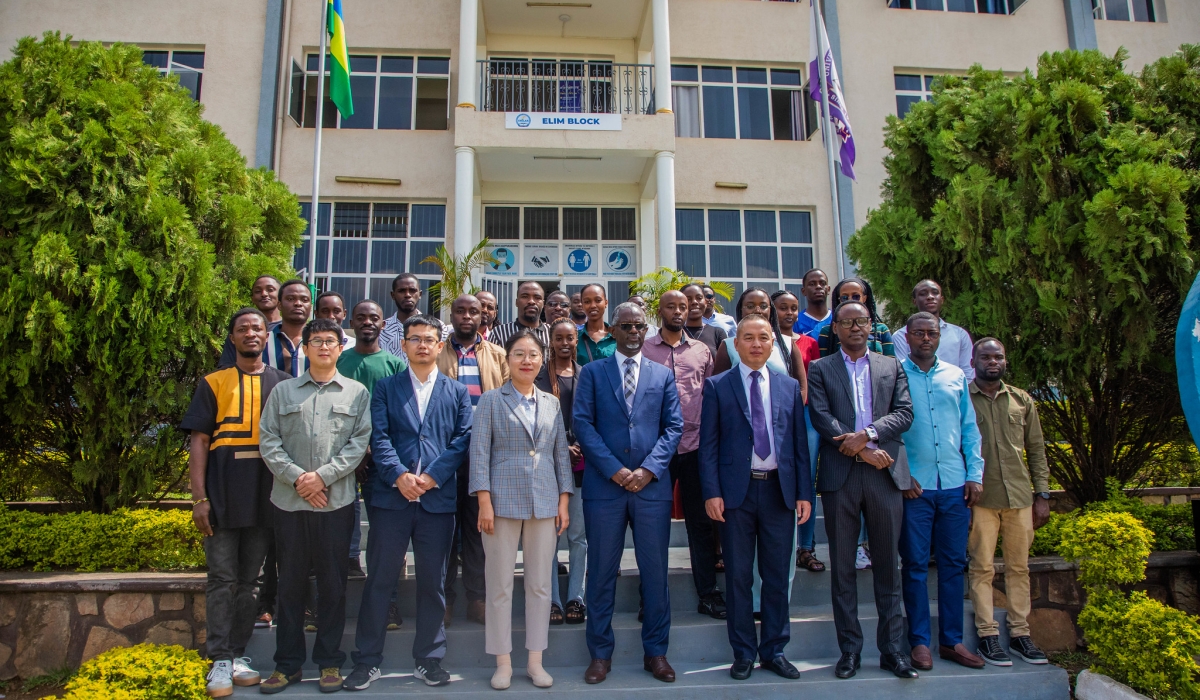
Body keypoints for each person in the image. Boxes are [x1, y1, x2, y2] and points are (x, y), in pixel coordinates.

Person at [344, 316, 472, 691]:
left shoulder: (456, 391)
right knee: (380, 580)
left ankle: (429, 660)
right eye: (414, 339)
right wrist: (398, 475)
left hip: (437, 500)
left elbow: (462, 440)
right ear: (403, 345)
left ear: (438, 345)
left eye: (429, 340)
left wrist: (432, 477)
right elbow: (378, 437)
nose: (421, 345)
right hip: (391, 499)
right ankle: (367, 661)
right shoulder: (385, 388)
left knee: (433, 583)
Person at [258, 318, 372, 694]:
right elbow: (268, 441)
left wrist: (321, 478)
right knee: (290, 585)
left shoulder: (356, 394)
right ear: (305, 347)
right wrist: (299, 480)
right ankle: (287, 665)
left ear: (341, 348)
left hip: (336, 503)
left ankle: (329, 663)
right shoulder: (283, 392)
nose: (324, 347)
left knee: (333, 586)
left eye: (331, 341)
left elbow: (358, 445)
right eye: (316, 341)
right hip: (290, 504)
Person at [573, 302, 683, 685]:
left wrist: (649, 469)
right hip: (605, 489)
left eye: (639, 326)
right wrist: (616, 470)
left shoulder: (662, 374)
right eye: (626, 326)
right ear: (614, 331)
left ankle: (656, 653)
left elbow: (674, 428)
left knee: (655, 575)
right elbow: (583, 425)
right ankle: (600, 654)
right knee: (602, 573)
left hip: (651, 489)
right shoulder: (591, 373)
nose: (634, 332)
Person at [183, 308, 291, 697]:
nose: (250, 333)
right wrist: (199, 498)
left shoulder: (283, 384)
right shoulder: (213, 382)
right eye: (242, 328)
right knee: (222, 580)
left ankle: (239, 654)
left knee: (250, 582)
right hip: (224, 499)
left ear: (267, 335)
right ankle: (219, 659)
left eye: (257, 328)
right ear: (232, 337)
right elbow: (198, 441)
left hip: (267, 500)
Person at [806, 301, 916, 681]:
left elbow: (904, 413)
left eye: (862, 321)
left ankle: (892, 652)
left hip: (884, 474)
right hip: (841, 477)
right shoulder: (820, 368)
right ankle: (849, 650)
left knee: (888, 565)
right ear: (834, 328)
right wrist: (858, 450)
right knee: (843, 570)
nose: (855, 327)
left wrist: (868, 439)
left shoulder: (891, 365)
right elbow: (820, 416)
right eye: (847, 322)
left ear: (871, 326)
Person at [699, 315, 812, 681]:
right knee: (738, 577)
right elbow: (709, 446)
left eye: (764, 337)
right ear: (736, 344)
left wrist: (804, 493)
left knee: (777, 576)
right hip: (736, 494)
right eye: (748, 338)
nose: (757, 344)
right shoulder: (718, 386)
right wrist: (712, 492)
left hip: (780, 492)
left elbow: (798, 445)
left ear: (772, 343)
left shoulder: (788, 386)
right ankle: (743, 653)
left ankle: (775, 650)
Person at [470, 330, 574, 690]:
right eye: (519, 354)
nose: (526, 360)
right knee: (499, 584)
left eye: (532, 354)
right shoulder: (490, 401)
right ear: (508, 360)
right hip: (500, 501)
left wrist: (564, 500)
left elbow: (561, 452)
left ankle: (535, 660)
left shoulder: (550, 402)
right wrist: (483, 499)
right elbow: (480, 452)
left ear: (541, 360)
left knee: (540, 585)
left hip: (545, 499)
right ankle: (502, 662)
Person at [897, 312, 985, 671]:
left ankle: (952, 640)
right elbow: (888, 430)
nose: (926, 339)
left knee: (952, 564)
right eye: (918, 333)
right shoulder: (894, 373)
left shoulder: (956, 376)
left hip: (953, 484)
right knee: (915, 565)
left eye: (931, 333)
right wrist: (901, 475)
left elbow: (969, 427)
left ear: (938, 336)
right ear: (908, 336)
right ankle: (919, 641)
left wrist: (974, 474)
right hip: (914, 489)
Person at [968, 338, 1051, 667]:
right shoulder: (964, 399)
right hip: (981, 499)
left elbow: (1037, 450)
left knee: (1019, 568)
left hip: (1019, 498)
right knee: (981, 568)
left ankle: (1020, 633)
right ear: (974, 360)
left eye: (998, 356)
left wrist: (1042, 495)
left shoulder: (1021, 400)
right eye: (985, 356)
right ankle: (987, 636)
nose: (992, 361)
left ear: (1005, 361)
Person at [643, 290, 725, 619]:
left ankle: (707, 593)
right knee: (653, 526)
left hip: (695, 447)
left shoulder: (702, 351)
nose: (678, 311)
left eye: (684, 306)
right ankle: (648, 597)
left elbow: (712, 396)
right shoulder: (645, 350)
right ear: (658, 311)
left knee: (700, 524)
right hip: (657, 451)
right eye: (671, 306)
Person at [436, 294, 509, 627]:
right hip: (444, 454)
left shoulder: (498, 354)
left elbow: (509, 400)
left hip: (485, 454)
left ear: (484, 317)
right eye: (461, 311)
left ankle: (477, 597)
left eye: (474, 311)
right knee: (445, 531)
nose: (467, 316)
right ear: (450, 315)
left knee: (480, 529)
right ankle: (444, 599)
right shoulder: (436, 352)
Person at [337, 300, 406, 617]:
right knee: (337, 535)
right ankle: (331, 607)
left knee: (384, 539)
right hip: (338, 463)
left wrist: (370, 452)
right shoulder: (338, 362)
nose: (367, 322)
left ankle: (388, 603)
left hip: (381, 463)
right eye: (361, 317)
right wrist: (354, 453)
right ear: (350, 322)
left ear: (383, 325)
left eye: (374, 317)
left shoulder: (395, 365)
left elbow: (400, 417)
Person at [536, 319, 587, 625]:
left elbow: (594, 416)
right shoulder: (540, 376)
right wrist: (560, 447)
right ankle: (552, 600)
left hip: (581, 466)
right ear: (550, 341)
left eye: (570, 337)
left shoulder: (587, 375)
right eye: (559, 338)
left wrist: (579, 444)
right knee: (550, 537)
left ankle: (576, 598)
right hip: (547, 467)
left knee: (578, 536)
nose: (565, 343)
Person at [773, 290, 824, 573]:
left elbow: (812, 385)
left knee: (806, 481)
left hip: (804, 417)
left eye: (794, 308)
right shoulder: (763, 341)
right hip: (771, 417)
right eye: (783, 308)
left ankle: (807, 547)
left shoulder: (809, 343)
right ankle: (784, 547)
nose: (790, 313)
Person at [892, 280, 974, 380]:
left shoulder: (960, 335)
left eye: (935, 293)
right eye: (923, 294)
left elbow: (968, 373)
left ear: (942, 299)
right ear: (914, 301)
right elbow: (903, 372)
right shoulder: (901, 336)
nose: (930, 297)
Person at [817, 278, 894, 359]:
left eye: (856, 296)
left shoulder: (881, 329)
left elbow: (890, 364)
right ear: (839, 300)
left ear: (864, 298)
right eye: (845, 298)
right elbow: (823, 365)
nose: (850, 300)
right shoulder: (827, 332)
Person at [491, 281, 550, 349]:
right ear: (516, 302)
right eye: (525, 297)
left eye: (537, 297)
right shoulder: (499, 333)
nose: (531, 301)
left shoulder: (552, 332)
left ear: (543, 304)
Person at [378, 273, 424, 359]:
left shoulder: (437, 327)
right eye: (401, 291)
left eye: (412, 290)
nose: (407, 295)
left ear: (420, 294)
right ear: (393, 295)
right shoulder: (381, 331)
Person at [680, 283, 727, 357]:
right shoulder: (675, 333)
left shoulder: (718, 333)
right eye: (688, 299)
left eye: (699, 298)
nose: (694, 302)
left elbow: (724, 365)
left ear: (705, 302)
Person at [576, 283, 615, 365]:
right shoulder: (575, 338)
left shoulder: (617, 337)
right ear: (582, 305)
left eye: (598, 300)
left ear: (606, 303)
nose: (593, 305)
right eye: (587, 302)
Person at [793, 269, 832, 339]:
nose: (818, 287)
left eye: (822, 283)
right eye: (812, 284)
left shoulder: (837, 319)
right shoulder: (795, 321)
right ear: (803, 291)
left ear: (828, 289)